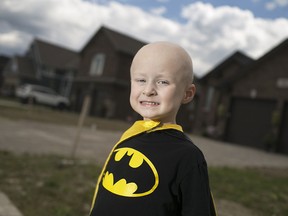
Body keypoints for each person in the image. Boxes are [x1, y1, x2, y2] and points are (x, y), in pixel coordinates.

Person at [89, 42, 217, 216]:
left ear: (187, 93)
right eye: (141, 80)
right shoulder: (131, 137)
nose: (148, 90)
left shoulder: (188, 156)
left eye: (163, 82)